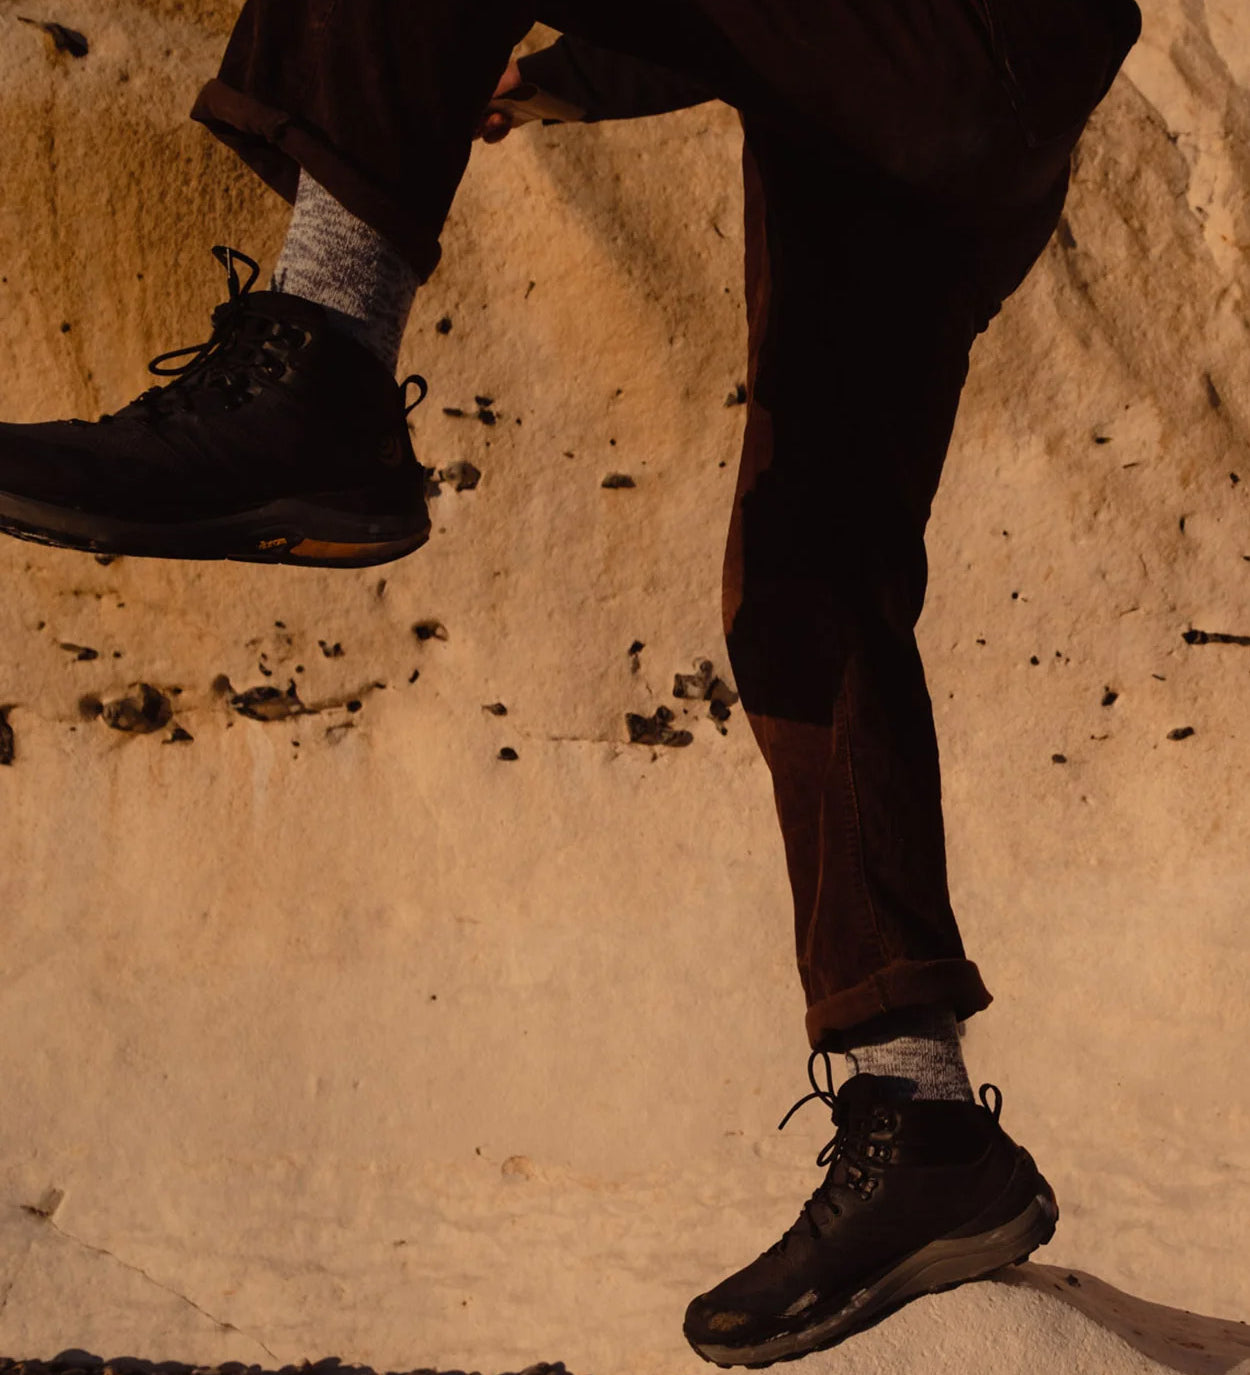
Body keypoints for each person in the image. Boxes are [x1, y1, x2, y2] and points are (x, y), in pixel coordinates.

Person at [0, 0, 1142, 1366]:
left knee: (815, 567)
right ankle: (928, 1123)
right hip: (931, 91)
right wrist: (559, 77)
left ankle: (321, 362)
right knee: (807, 582)